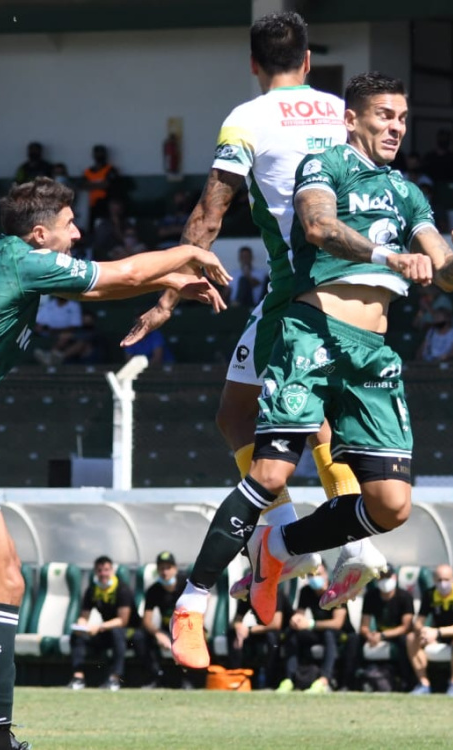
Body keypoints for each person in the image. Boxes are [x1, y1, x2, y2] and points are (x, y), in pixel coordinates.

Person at [0, 176, 229, 750]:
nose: (78, 233)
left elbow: (95, 290)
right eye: (68, 225)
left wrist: (169, 281)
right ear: (40, 233)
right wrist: (187, 250)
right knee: (5, 581)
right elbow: (120, 276)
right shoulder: (22, 262)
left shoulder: (3, 257)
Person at [123, 11, 381, 670]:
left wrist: (167, 297)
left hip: (299, 290)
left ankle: (305, 544)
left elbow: (209, 215)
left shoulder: (248, 118)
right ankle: (308, 539)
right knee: (245, 410)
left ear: (253, 64)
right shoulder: (344, 110)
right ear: (310, 59)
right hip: (363, 287)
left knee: (261, 418)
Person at [239, 73, 453, 635]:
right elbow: (319, 225)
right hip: (310, 323)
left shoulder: (408, 191)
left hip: (372, 351)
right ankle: (204, 584)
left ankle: (277, 544)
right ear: (351, 118)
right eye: (384, 115)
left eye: (401, 118)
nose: (395, 127)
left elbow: (444, 274)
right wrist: (388, 257)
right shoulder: (325, 165)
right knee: (256, 443)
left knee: (392, 505)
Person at [340, 564, 414, 691]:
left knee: (404, 640)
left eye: (387, 577)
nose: (384, 581)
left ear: (394, 578)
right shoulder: (371, 596)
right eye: (381, 578)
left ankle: (407, 683)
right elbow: (364, 626)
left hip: (395, 635)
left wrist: (383, 636)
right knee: (353, 639)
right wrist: (369, 635)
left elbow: (405, 627)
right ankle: (347, 683)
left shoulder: (405, 596)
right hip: (377, 635)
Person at [67, 555, 135, 692]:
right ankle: (78, 677)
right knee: (77, 636)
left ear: (112, 571)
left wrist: (98, 627)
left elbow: (123, 621)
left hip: (130, 633)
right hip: (106, 632)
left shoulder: (122, 589)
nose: (103, 574)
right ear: (95, 572)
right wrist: (81, 626)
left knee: (117, 633)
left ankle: (115, 679)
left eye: (106, 570)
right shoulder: (92, 590)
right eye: (99, 570)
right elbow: (84, 616)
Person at [275, 563, 346, 693]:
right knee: (292, 633)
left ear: (326, 574)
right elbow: (300, 614)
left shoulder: (337, 591)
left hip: (339, 633)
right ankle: (289, 678)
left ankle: (324, 680)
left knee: (328, 634)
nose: (314, 578)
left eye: (318, 574)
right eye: (311, 575)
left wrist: (310, 624)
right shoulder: (306, 591)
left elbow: (337, 623)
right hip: (317, 631)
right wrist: (296, 620)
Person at [407, 564, 453, 696]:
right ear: (434, 580)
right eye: (439, 580)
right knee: (411, 638)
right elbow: (418, 622)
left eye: (446, 579)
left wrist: (437, 632)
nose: (443, 583)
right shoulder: (429, 594)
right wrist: (424, 631)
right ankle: (424, 683)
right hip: (437, 635)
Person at [131, 551, 186, 688]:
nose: (165, 571)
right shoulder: (153, 590)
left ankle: (188, 681)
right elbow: (147, 620)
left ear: (175, 569)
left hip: (187, 628)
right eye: (161, 568)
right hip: (167, 630)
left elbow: (203, 601)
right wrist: (158, 634)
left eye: (168, 567)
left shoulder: (186, 585)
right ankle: (155, 677)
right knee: (139, 637)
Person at [227, 578, 289, 689]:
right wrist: (238, 627)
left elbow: (276, 624)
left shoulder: (276, 593)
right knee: (232, 634)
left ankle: (269, 682)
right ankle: (236, 676)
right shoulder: (248, 595)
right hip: (259, 630)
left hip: (280, 633)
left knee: (272, 638)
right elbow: (237, 619)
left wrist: (250, 630)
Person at [81, 144, 121, 232]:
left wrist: (92, 184)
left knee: (107, 226)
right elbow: (83, 185)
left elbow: (107, 184)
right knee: (92, 227)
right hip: (92, 204)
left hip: (106, 203)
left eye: (101, 153)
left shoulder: (110, 169)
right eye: (97, 153)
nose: (99, 155)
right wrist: (99, 184)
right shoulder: (88, 171)